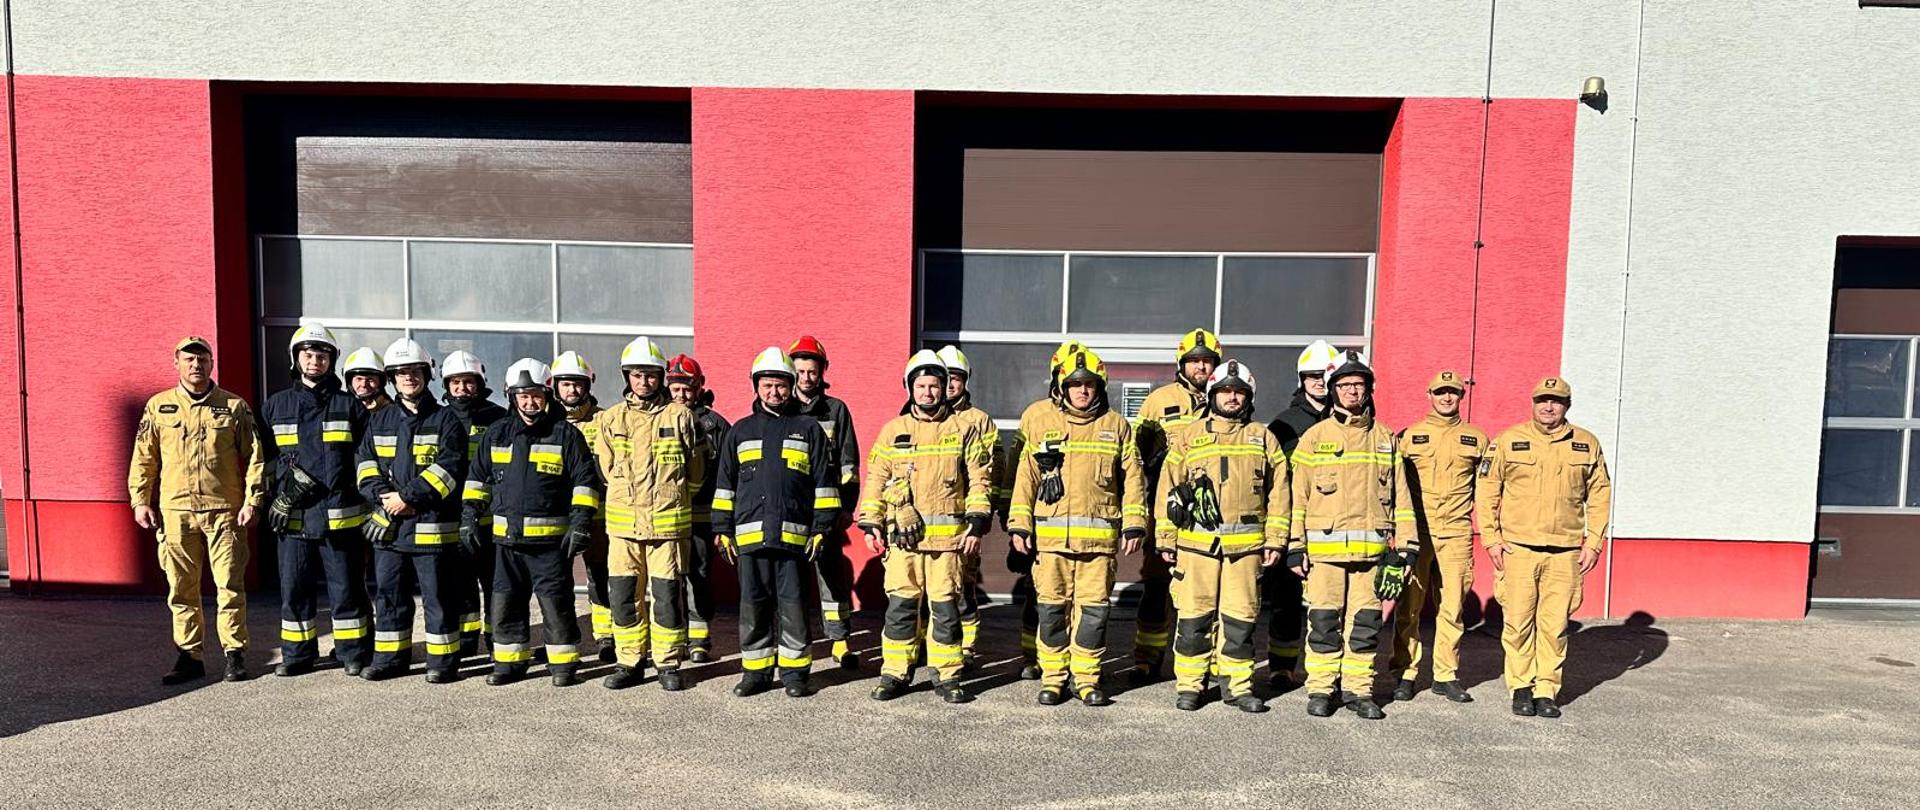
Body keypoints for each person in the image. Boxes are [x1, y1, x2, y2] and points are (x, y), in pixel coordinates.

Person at [1006, 347, 1147, 707]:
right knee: (1052, 611)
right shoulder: (1041, 423)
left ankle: (1086, 679)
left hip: (1098, 546)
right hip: (1050, 543)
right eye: (1075, 384)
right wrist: (1019, 526)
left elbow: (1133, 479)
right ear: (1060, 387)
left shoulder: (1116, 426)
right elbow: (1025, 478)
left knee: (1094, 614)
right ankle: (1053, 678)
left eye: (1089, 384)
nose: (1083, 391)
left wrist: (1134, 524)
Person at [129, 336, 267, 684]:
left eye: (202, 359)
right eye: (189, 359)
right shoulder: (158, 407)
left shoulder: (233, 406)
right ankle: (189, 656)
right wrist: (140, 500)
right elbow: (144, 458)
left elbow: (255, 457)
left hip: (224, 511)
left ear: (211, 364)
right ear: (176, 363)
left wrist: (253, 500)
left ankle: (234, 654)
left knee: (230, 587)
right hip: (175, 512)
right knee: (181, 589)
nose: (196, 365)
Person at [1286, 350, 1414, 720]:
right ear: (1333, 391)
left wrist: (1405, 550)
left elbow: (1402, 500)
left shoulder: (1386, 439)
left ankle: (1359, 691)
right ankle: (1322, 690)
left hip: (1372, 556)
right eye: (1344, 386)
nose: (1352, 392)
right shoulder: (1314, 438)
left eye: (1358, 385)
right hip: (1324, 555)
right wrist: (1296, 547)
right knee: (1324, 623)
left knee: (1365, 626)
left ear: (1368, 389)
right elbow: (1298, 498)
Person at [860, 350, 993, 704]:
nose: (929, 393)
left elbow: (980, 480)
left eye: (934, 385)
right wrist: (871, 523)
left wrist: (977, 524)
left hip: (947, 544)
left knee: (946, 610)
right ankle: (894, 673)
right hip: (903, 543)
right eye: (921, 386)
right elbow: (876, 479)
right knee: (901, 608)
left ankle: (947, 676)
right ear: (910, 388)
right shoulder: (894, 431)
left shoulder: (963, 429)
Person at [460, 358, 603, 687]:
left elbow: (585, 482)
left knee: (557, 605)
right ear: (512, 396)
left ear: (547, 394)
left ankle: (564, 663)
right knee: (506, 604)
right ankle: (510, 663)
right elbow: (477, 479)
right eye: (523, 395)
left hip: (549, 545)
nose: (530, 401)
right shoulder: (497, 434)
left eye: (536, 394)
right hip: (505, 543)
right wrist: (469, 517)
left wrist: (580, 522)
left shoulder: (564, 434)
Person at [1155, 359, 1287, 713]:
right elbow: (1167, 489)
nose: (1232, 398)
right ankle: (1190, 686)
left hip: (1245, 550)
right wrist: (1166, 539)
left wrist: (1276, 539)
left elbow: (1280, 494)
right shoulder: (1188, 436)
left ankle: (1238, 687)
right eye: (1226, 391)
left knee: (1240, 620)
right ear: (1212, 395)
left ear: (1249, 398)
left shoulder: (1264, 437)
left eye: (1239, 392)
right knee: (1194, 618)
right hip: (1196, 546)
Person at [1479, 376, 1612, 719]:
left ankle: (1546, 689)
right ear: (1533, 403)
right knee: (1519, 621)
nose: (1548, 407)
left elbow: (1600, 496)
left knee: (1554, 626)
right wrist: (1491, 538)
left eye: (1556, 401)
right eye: (1542, 400)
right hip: (1518, 549)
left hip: (1565, 552)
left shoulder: (1585, 444)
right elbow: (1488, 491)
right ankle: (1521, 686)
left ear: (1567, 405)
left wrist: (1594, 542)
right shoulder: (1510, 441)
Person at [712, 347, 841, 698]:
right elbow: (725, 486)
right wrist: (722, 530)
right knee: (753, 606)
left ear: (791, 385)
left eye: (781, 385)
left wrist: (821, 528)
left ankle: (796, 672)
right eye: (768, 385)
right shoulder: (739, 431)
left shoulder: (809, 429)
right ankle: (755, 671)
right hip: (750, 539)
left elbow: (825, 485)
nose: (775, 392)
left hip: (795, 539)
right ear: (757, 387)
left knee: (794, 606)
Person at [260, 322, 372, 677]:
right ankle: (297, 655)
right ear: (296, 359)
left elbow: (366, 458)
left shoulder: (349, 406)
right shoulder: (275, 406)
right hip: (292, 519)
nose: (314, 361)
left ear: (331, 361)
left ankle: (352, 652)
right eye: (307, 354)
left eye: (322, 355)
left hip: (340, 520)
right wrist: (275, 495)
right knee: (295, 590)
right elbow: (262, 460)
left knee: (347, 590)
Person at [356, 339, 467, 683]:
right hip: (390, 530)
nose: (409, 378)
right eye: (402, 373)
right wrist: (383, 497)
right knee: (389, 597)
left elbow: (450, 470)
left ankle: (443, 662)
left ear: (427, 374)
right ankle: (390, 658)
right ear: (392, 378)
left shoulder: (446, 420)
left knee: (439, 597)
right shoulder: (380, 420)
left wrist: (407, 498)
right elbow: (365, 464)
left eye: (415, 372)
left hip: (431, 528)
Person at [594, 338, 701, 692]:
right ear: (627, 376)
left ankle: (668, 663)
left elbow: (697, 470)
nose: (644, 382)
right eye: (637, 375)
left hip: (667, 527)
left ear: (661, 378)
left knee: (667, 596)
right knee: (625, 596)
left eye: (651, 376)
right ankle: (630, 662)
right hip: (623, 529)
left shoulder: (681, 416)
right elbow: (606, 469)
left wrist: (671, 498)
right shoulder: (610, 419)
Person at [1388, 369, 1489, 703]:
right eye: (1441, 392)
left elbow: (1487, 490)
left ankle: (1446, 674)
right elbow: (1394, 488)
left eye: (1454, 393)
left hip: (1456, 533)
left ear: (1462, 397)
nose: (1447, 398)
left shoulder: (1477, 438)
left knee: (1452, 606)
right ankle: (1405, 671)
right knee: (1410, 606)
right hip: (1416, 532)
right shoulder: (1408, 436)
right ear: (1428, 395)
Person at [1128, 328, 1220, 685]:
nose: (1201, 366)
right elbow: (1137, 454)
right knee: (1155, 585)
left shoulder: (1227, 396)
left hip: (1208, 513)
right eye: (1195, 361)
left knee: (1206, 588)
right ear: (1182, 364)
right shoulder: (1158, 400)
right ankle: (1147, 658)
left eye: (1207, 361)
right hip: (1163, 507)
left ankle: (1207, 660)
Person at [1003, 340, 1087, 680]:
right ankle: (1031, 656)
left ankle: (1070, 663)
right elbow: (1017, 470)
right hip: (1040, 524)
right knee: (1035, 593)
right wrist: (1011, 520)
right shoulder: (1035, 414)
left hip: (1076, 528)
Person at [1261, 339, 1342, 685]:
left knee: (1332, 603)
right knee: (1287, 600)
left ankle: (1330, 670)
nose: (1319, 382)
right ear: (1301, 380)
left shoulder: (1351, 421)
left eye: (1325, 375)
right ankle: (1281, 665)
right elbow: (1271, 481)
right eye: (1312, 376)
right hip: (1296, 522)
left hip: (1338, 524)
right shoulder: (1284, 424)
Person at [787, 335, 861, 670]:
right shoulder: (781, 409)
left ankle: (840, 641)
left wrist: (847, 507)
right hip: (789, 509)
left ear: (823, 371)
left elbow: (849, 464)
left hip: (827, 511)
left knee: (832, 576)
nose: (806, 377)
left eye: (812, 371)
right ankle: (796, 641)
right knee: (791, 578)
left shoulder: (836, 410)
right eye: (800, 371)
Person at [935, 344, 997, 670]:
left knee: (965, 584)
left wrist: (982, 517)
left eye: (956, 378)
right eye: (946, 378)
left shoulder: (980, 421)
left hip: (964, 518)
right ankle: (931, 642)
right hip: (930, 521)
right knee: (933, 587)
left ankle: (967, 645)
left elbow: (989, 469)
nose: (950, 385)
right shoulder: (916, 415)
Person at [550, 350, 614, 661]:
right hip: (557, 516)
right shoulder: (547, 423)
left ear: (588, 385)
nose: (572, 390)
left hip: (598, 515)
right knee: (556, 577)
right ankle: (562, 638)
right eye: (566, 384)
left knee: (600, 575)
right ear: (555, 386)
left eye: (578, 384)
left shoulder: (604, 420)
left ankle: (606, 635)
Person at [441, 349, 505, 656]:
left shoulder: (497, 417)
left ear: (480, 384)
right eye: (456, 383)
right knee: (460, 585)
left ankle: (496, 641)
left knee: (494, 585)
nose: (462, 389)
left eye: (469, 382)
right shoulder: (440, 418)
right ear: (446, 385)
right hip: (452, 517)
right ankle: (467, 643)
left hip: (490, 519)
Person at [666, 353, 730, 663]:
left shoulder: (716, 426)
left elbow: (728, 476)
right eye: (675, 389)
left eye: (686, 389)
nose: (680, 396)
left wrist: (723, 524)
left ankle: (699, 639)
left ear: (699, 387)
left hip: (703, 517)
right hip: (666, 516)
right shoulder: (661, 419)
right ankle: (673, 638)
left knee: (699, 576)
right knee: (668, 577)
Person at [341, 347, 393, 413]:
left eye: (370, 379)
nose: (363, 385)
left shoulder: (392, 414)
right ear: (349, 382)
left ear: (381, 382)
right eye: (359, 379)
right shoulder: (339, 408)